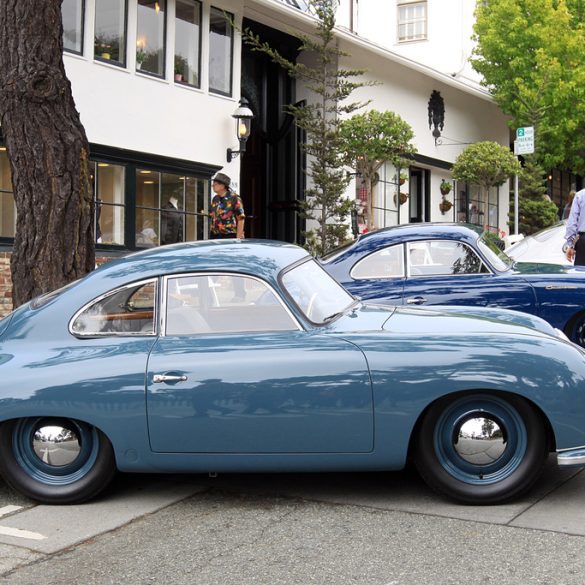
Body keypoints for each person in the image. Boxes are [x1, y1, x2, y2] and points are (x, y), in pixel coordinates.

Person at [209, 173, 245, 239]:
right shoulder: (215, 199)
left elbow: (241, 219)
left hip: (228, 235)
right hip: (214, 235)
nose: (212, 185)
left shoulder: (234, 198)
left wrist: (238, 238)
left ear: (222, 186)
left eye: (215, 184)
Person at [564, 188, 585, 265]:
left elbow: (572, 223)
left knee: (582, 275)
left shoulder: (580, 195)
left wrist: (571, 245)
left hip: (583, 242)